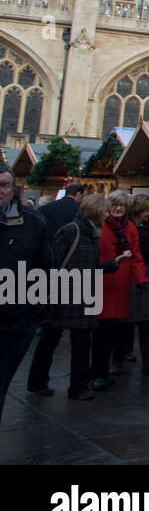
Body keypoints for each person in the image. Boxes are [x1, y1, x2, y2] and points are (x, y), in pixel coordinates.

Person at [26, 194, 129, 401]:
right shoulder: (71, 230)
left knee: (81, 343)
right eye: (105, 210)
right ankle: (38, 382)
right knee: (50, 340)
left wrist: (112, 263)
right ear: (96, 211)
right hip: (64, 294)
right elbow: (52, 262)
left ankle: (78, 387)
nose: (108, 214)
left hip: (84, 295)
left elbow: (90, 267)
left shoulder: (92, 233)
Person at [0, 168, 53, 425]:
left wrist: (35, 314)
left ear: (13, 189)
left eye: (4, 185)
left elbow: (45, 269)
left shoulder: (33, 223)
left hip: (13, 323)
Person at [91, 190, 148, 391]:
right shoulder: (100, 225)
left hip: (120, 286)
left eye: (121, 206)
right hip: (101, 283)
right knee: (98, 333)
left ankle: (102, 372)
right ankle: (96, 372)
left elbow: (136, 257)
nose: (117, 208)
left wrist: (141, 279)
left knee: (113, 332)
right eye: (114, 205)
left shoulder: (130, 228)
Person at [112, 194, 149, 375]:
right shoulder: (125, 225)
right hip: (128, 273)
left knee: (144, 318)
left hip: (144, 272)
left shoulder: (146, 224)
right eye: (147, 211)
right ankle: (118, 358)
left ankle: (147, 359)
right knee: (125, 319)